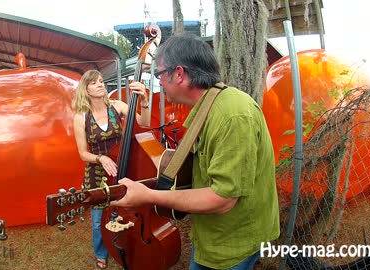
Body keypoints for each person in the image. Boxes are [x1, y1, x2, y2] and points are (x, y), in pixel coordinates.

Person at [111, 33, 280, 269]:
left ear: (179, 73)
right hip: (210, 237)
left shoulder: (232, 115)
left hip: (231, 246)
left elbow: (222, 199)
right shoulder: (207, 107)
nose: (158, 81)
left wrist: (148, 196)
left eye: (159, 74)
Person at [72, 69, 151, 269]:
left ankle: (126, 244)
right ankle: (101, 252)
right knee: (99, 221)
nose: (100, 84)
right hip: (97, 174)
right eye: (94, 82)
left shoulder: (118, 106)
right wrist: (101, 158)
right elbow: (82, 153)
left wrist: (144, 100)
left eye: (101, 81)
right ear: (86, 89)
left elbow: (145, 122)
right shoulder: (81, 117)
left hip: (122, 167)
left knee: (125, 213)